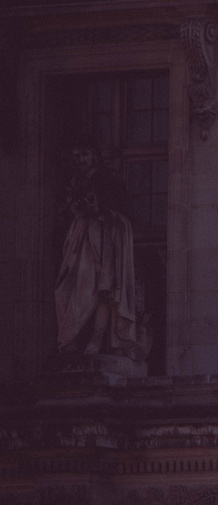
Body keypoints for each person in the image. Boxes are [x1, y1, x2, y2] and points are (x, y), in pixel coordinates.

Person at [54, 144, 147, 360]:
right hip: (78, 241)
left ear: (94, 156)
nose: (80, 160)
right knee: (70, 289)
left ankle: (95, 340)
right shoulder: (73, 182)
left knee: (103, 290)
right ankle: (72, 338)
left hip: (103, 238)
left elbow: (121, 211)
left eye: (84, 154)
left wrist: (98, 211)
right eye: (76, 155)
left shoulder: (108, 180)